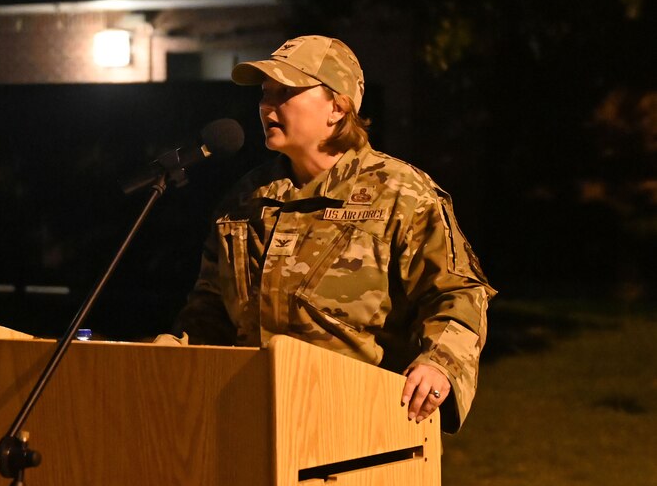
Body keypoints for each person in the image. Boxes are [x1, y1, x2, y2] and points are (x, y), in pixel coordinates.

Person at [173, 35, 495, 433]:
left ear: (337, 108)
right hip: (249, 418)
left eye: (285, 92)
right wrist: (174, 353)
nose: (266, 106)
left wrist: (439, 364)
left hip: (361, 424)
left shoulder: (399, 192)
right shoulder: (245, 199)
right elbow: (210, 308)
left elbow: (458, 292)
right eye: (265, 93)